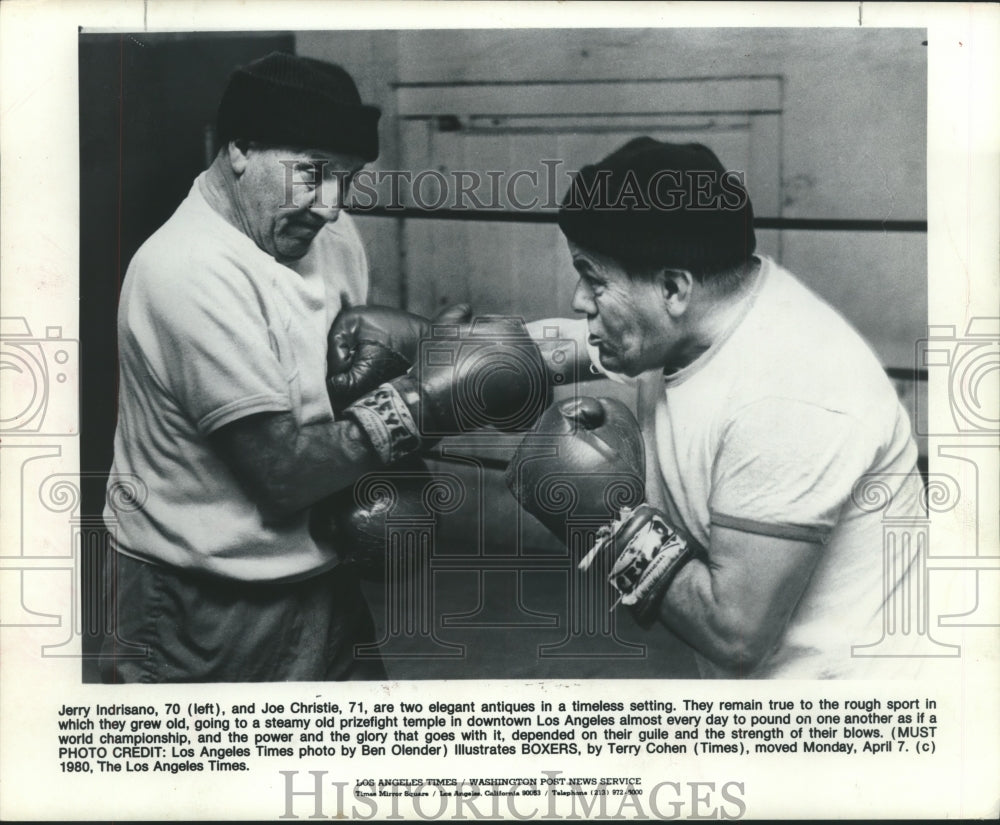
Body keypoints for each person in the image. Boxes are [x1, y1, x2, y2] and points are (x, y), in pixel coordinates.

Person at [100, 51, 547, 683]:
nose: (333, 206)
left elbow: (340, 391)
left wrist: (426, 360)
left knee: (353, 773)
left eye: (348, 178)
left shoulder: (328, 237)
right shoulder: (189, 268)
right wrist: (426, 399)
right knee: (207, 782)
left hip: (321, 581)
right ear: (240, 150)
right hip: (202, 599)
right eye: (311, 174)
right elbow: (280, 473)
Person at [510, 137, 925, 679]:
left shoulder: (790, 395)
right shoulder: (697, 317)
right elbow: (559, 345)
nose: (578, 300)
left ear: (673, 288)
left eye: (593, 278)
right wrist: (428, 370)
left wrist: (608, 523)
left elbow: (734, 634)